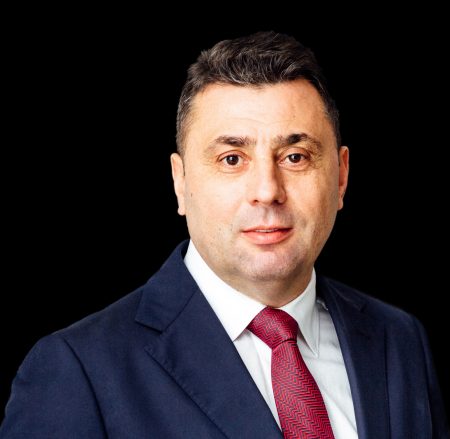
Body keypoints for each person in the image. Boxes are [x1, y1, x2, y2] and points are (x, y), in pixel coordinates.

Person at [1, 31, 448, 439]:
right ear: (180, 183)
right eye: (232, 159)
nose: (267, 191)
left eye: (295, 157)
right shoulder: (78, 371)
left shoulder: (399, 339)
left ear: (341, 177)